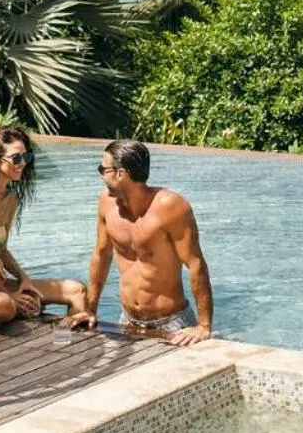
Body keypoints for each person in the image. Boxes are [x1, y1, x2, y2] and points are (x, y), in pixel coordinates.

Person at [66, 139, 213, 345]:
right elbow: (101, 254)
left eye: (103, 169)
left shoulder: (171, 206)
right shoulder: (106, 203)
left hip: (172, 322)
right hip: (128, 320)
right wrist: (90, 310)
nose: (100, 175)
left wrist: (203, 326)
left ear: (121, 174)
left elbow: (195, 264)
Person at [0, 125, 91, 328]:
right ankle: (24, 308)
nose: (22, 163)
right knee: (4, 305)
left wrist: (24, 279)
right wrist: (10, 295)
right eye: (16, 158)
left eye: (26, 157)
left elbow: (1, 250)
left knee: (76, 290)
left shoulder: (10, 197)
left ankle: (72, 341)